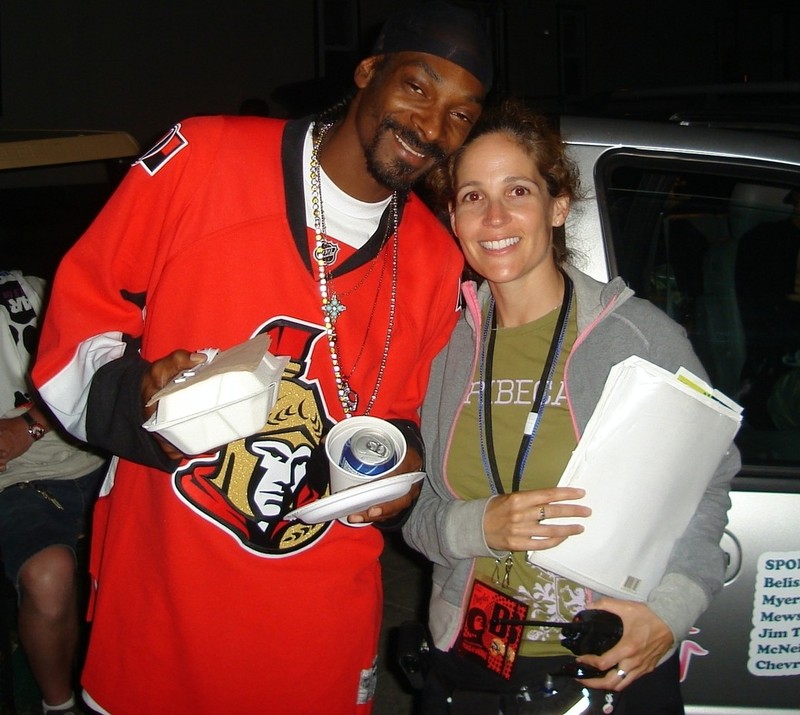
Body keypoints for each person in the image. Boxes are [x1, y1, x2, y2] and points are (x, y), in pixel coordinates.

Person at [30, 2, 492, 712]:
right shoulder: (203, 158)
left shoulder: (435, 259)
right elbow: (76, 327)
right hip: (161, 614)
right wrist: (138, 395)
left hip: (318, 633)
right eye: (416, 87)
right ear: (368, 72)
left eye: (461, 114)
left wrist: (399, 472)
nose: (432, 128)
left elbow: (408, 421)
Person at [402, 102, 740, 714]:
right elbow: (417, 511)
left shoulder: (637, 337)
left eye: (518, 191)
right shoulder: (440, 347)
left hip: (601, 663)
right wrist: (478, 526)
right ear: (452, 216)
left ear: (558, 207)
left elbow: (707, 483)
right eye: (473, 196)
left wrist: (671, 611)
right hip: (467, 661)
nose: (495, 217)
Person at [1, 270, 106, 715]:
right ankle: (58, 706)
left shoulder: (31, 290)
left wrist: (30, 424)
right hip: (18, 481)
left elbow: (95, 365)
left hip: (100, 454)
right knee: (48, 576)